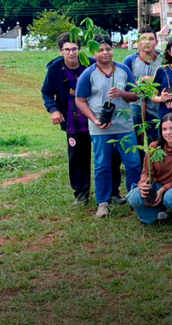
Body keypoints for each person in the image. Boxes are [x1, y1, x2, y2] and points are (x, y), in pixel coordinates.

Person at [41, 33, 122, 206]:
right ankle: (81, 193)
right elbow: (47, 92)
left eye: (74, 49)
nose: (71, 53)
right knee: (78, 157)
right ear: (60, 51)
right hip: (73, 119)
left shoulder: (92, 65)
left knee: (109, 154)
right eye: (67, 49)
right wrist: (53, 110)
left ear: (80, 49)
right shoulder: (55, 69)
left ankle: (113, 192)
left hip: (97, 116)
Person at [74, 36, 142, 218]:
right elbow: (80, 100)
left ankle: (135, 199)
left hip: (124, 126)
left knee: (133, 163)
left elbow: (135, 95)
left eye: (108, 49)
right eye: (100, 50)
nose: (105, 53)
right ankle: (103, 203)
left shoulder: (123, 70)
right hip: (100, 128)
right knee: (102, 165)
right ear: (93, 52)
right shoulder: (88, 74)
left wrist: (122, 93)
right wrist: (94, 120)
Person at [126, 112, 172, 226]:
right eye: (164, 129)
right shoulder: (154, 147)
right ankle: (150, 215)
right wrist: (143, 184)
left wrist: (163, 189)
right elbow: (146, 172)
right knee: (134, 196)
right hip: (156, 185)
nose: (168, 132)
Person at [123, 26, 163, 148]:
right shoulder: (130, 60)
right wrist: (140, 82)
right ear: (138, 42)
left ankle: (154, 157)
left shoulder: (164, 60)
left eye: (151, 39)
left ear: (156, 42)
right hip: (136, 102)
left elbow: (170, 80)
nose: (147, 42)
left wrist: (153, 81)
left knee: (156, 141)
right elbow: (125, 83)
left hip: (157, 103)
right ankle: (137, 156)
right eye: (143, 38)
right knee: (135, 125)